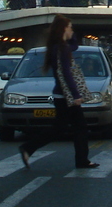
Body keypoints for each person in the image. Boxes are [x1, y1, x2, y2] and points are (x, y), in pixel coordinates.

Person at [18, 15, 98, 170]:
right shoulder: (61, 48)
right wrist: (75, 95)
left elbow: (74, 46)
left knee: (62, 128)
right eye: (70, 27)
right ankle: (81, 160)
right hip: (65, 96)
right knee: (77, 128)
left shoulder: (60, 47)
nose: (72, 29)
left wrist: (71, 35)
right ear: (63, 29)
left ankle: (29, 148)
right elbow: (66, 73)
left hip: (61, 95)